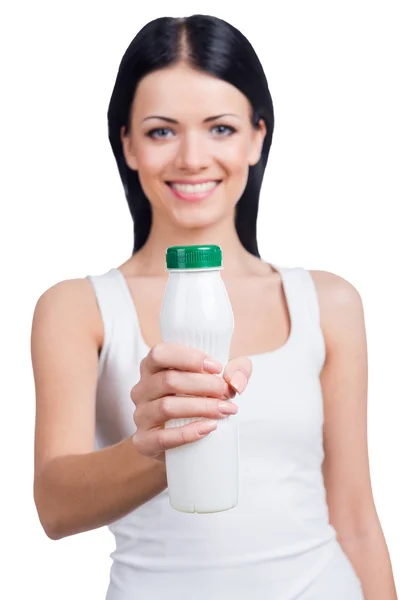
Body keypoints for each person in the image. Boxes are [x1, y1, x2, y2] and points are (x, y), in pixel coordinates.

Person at [31, 14, 397, 600]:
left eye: (220, 128)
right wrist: (155, 443)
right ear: (125, 142)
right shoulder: (78, 309)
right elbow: (54, 507)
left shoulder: (328, 303)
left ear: (258, 135)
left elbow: (355, 516)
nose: (193, 158)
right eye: (161, 131)